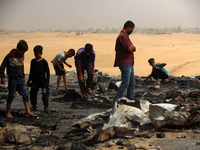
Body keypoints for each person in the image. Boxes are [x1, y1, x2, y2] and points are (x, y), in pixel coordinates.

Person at [0, 40, 37, 118]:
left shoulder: (22, 56)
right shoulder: (9, 56)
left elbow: (21, 66)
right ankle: (8, 112)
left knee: (26, 94)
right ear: (18, 49)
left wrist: (23, 76)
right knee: (11, 95)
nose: (23, 54)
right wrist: (2, 76)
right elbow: (2, 67)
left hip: (20, 79)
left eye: (24, 52)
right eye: (22, 51)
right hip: (13, 79)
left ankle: (28, 112)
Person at [114, 20, 136, 101]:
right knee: (125, 83)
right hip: (125, 62)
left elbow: (133, 48)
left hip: (129, 63)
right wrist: (132, 47)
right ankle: (117, 101)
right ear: (128, 28)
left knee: (131, 83)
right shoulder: (123, 36)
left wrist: (132, 47)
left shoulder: (125, 36)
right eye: (132, 29)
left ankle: (130, 99)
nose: (132, 31)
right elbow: (131, 48)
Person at [27, 45, 50, 113]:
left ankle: (46, 106)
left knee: (45, 94)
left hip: (42, 81)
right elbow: (31, 70)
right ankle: (34, 105)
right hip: (34, 81)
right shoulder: (33, 61)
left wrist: (47, 82)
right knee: (33, 94)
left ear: (41, 53)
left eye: (37, 54)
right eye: (35, 54)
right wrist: (29, 79)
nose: (36, 55)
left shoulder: (44, 62)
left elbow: (47, 72)